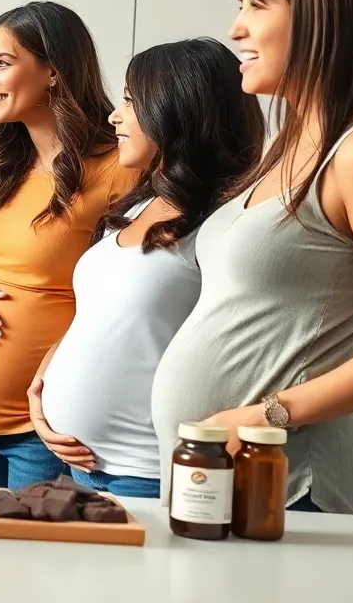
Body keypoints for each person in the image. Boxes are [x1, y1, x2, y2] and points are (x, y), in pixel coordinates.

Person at [151, 0, 353, 516]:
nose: (236, 28)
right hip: (224, 478)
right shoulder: (288, 145)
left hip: (294, 482)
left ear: (325, 16)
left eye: (257, 4)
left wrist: (270, 413)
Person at [26, 38, 265, 498]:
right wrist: (47, 375)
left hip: (148, 472)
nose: (115, 116)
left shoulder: (226, 225)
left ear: (178, 112)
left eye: (132, 102)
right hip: (78, 463)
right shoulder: (140, 206)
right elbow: (106, 316)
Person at [0, 1, 138, 489]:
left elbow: (127, 299)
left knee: (34, 563)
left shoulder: (119, 166)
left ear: (52, 70)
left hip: (44, 425)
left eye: (2, 63)